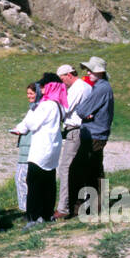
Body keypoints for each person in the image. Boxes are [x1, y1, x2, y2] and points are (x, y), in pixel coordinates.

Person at [11, 80, 64, 225]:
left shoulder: (45, 105)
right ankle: (46, 214)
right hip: (53, 148)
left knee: (34, 183)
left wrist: (28, 119)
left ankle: (33, 217)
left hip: (41, 149)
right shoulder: (58, 105)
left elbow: (32, 124)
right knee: (49, 182)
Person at [70, 56, 114, 217]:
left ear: (99, 72)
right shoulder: (103, 87)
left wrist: (87, 113)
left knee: (81, 170)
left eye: (90, 70)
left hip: (94, 135)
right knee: (94, 171)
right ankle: (95, 206)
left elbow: (81, 110)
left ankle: (80, 208)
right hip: (97, 134)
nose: (87, 72)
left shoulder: (101, 88)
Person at [54, 64, 92, 220]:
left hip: (75, 130)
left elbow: (64, 108)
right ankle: (81, 203)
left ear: (69, 75)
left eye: (62, 79)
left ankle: (63, 208)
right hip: (82, 130)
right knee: (78, 169)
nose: (63, 83)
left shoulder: (77, 88)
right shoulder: (86, 86)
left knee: (65, 168)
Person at [14, 84, 38, 212]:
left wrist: (20, 129)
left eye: (31, 93)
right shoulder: (33, 108)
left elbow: (26, 126)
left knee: (21, 179)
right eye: (28, 93)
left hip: (29, 150)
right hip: (26, 147)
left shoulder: (37, 109)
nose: (29, 96)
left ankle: (26, 208)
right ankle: (28, 206)